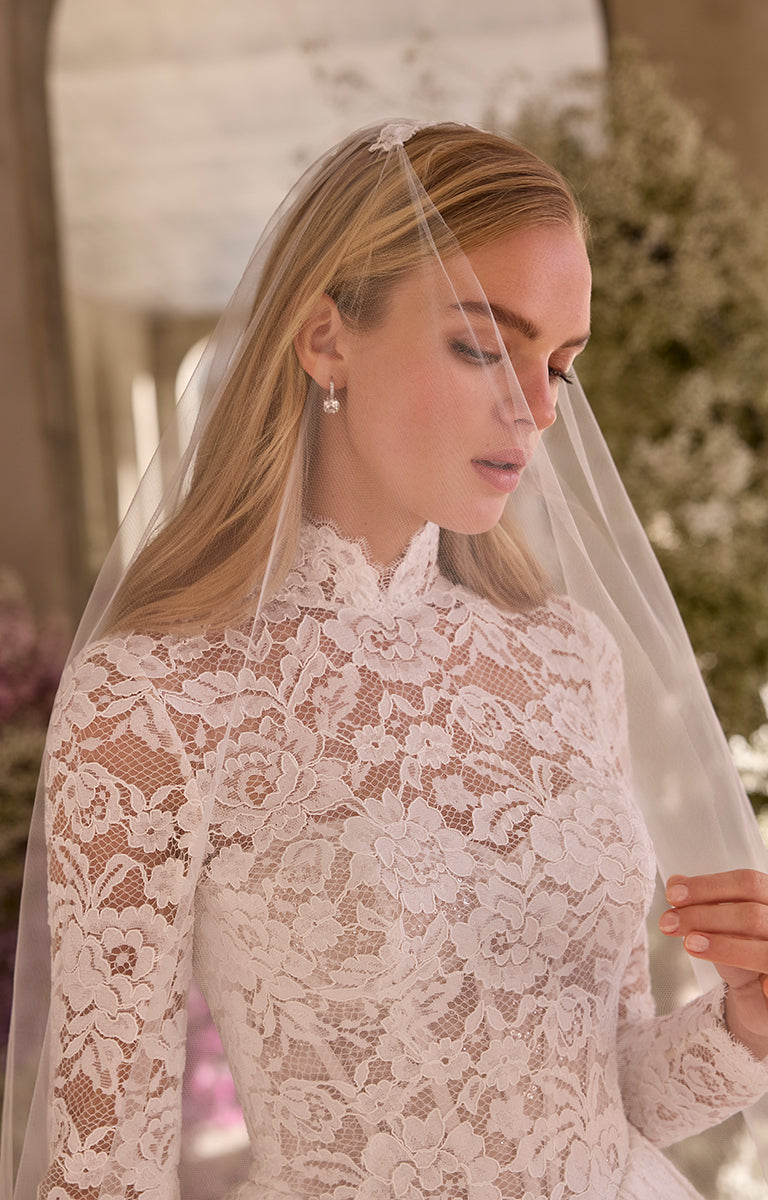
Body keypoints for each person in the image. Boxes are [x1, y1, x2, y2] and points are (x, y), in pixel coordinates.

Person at [3, 119, 768, 1200]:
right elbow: (104, 1171)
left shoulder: (568, 660)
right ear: (325, 340)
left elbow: (613, 1096)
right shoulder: (155, 702)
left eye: (558, 363)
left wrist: (743, 1022)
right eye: (482, 347)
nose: (539, 409)